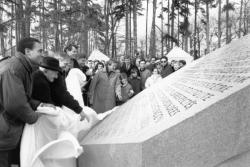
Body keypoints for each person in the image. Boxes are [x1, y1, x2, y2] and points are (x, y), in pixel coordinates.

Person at [0, 37, 53, 167]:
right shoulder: (15, 68)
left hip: (8, 127)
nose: (43, 54)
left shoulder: (24, 67)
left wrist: (39, 105)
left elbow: (23, 96)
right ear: (28, 51)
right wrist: (35, 117)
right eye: (40, 50)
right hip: (4, 130)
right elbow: (15, 104)